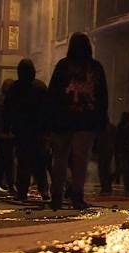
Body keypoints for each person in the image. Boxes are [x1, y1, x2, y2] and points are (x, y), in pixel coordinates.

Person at [48, 33, 109, 210]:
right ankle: (76, 196)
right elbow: (102, 97)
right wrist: (102, 121)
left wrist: (50, 120)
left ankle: (57, 196)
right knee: (80, 161)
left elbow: (52, 95)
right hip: (85, 121)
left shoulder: (63, 66)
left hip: (63, 121)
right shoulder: (96, 68)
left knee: (59, 159)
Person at [4, 58, 49, 201]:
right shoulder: (40, 87)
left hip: (23, 131)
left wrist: (7, 127)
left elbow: (7, 109)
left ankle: (23, 191)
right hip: (36, 131)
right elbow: (48, 109)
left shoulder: (15, 88)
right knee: (39, 162)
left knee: (24, 162)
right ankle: (43, 190)